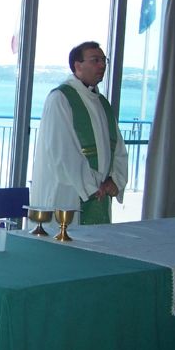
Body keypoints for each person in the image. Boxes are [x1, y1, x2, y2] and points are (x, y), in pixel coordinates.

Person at [30, 41, 128, 225]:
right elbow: (62, 151)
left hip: (99, 193)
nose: (102, 65)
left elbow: (119, 150)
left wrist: (115, 180)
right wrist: (91, 185)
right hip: (68, 193)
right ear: (77, 65)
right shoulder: (60, 98)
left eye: (103, 60)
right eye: (95, 60)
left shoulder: (103, 103)